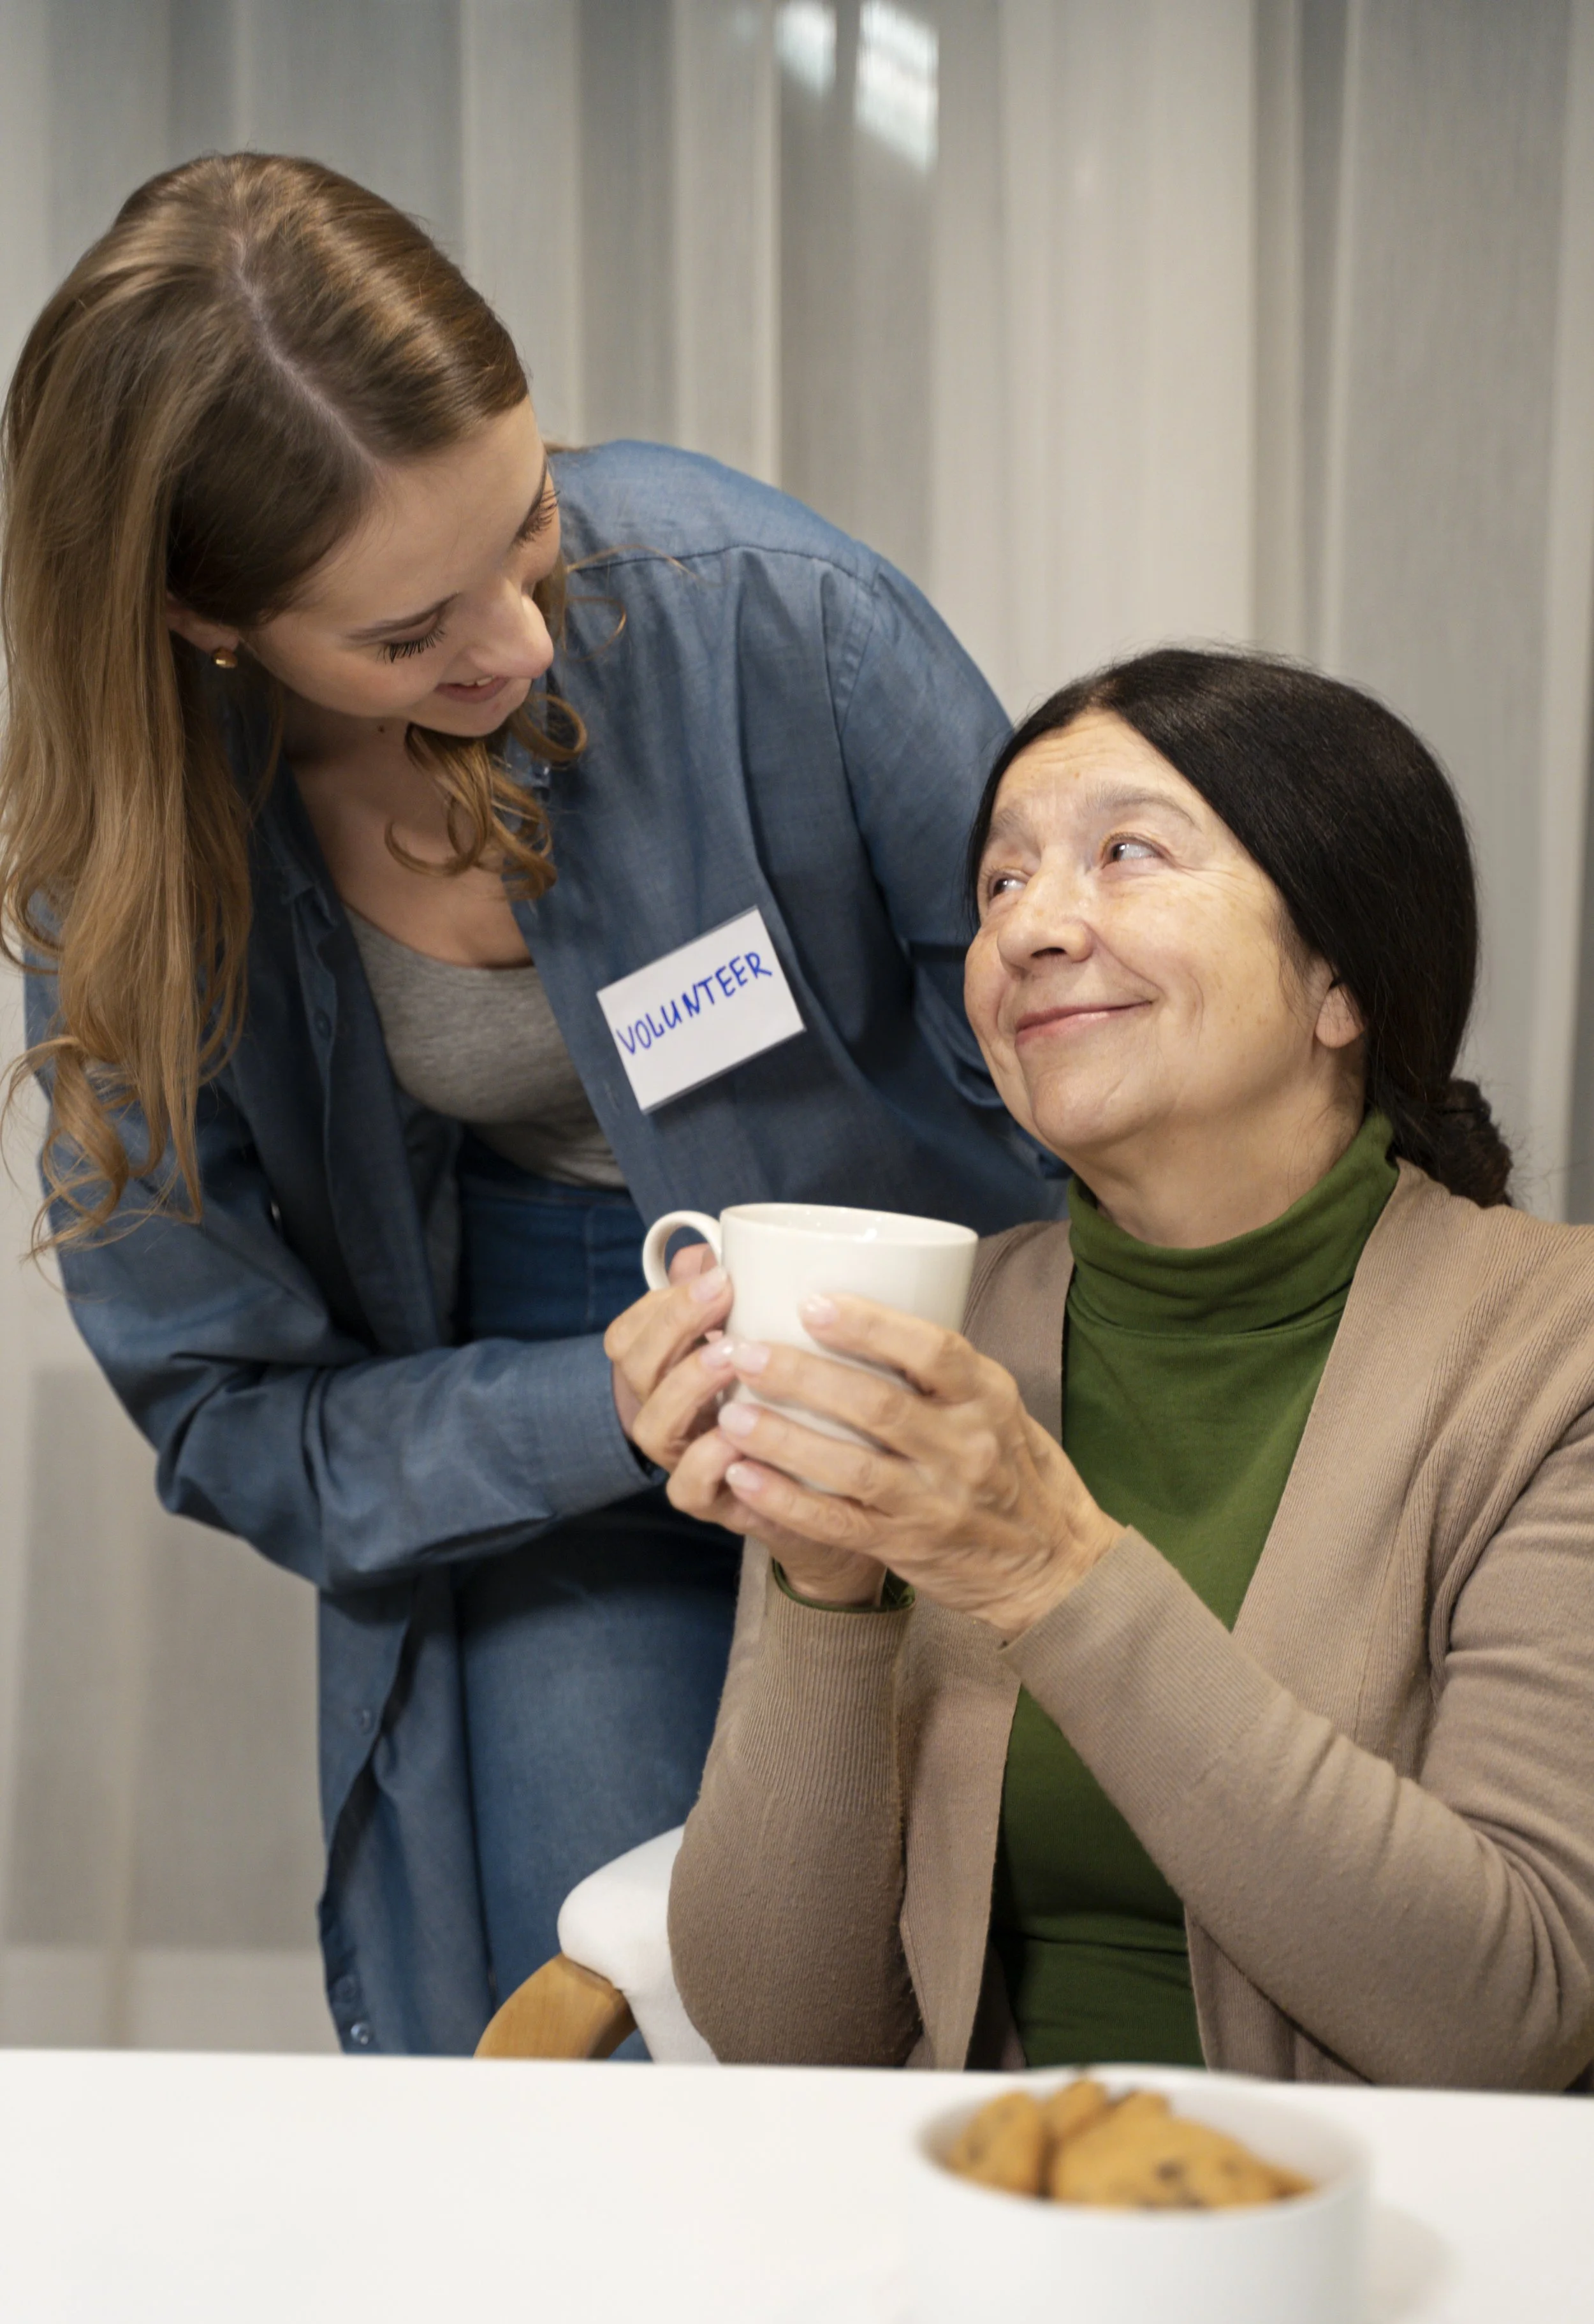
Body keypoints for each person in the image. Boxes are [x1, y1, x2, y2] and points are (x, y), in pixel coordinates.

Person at [0, 153, 1062, 2057]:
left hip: (960, 1357)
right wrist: (593, 1402)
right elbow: (237, 1417)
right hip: (539, 1432)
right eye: (409, 636)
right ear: (196, 618)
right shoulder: (130, 878)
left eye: (532, 527)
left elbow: (1079, 1049)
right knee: (640, 2019)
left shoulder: (762, 611)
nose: (520, 643)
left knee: (1010, 1966)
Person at [615, 647, 1594, 2089]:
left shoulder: (1548, 1355)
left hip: (1372, 2242)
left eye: (1126, 855)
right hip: (977, 2211)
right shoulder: (943, 1333)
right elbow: (783, 2043)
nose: (1029, 931)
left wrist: (1045, 1571)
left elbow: (1506, 2023)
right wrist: (825, 1582)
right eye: (999, 886)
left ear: (1341, 981)